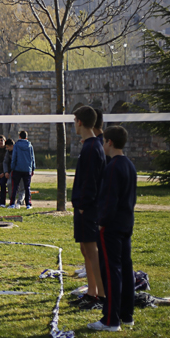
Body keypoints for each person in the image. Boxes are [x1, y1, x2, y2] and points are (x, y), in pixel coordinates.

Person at [87, 125, 137, 332]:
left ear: (109, 142)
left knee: (111, 271)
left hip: (112, 227)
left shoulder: (114, 167)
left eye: (104, 141)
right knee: (125, 270)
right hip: (126, 224)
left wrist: (102, 222)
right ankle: (126, 315)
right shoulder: (129, 165)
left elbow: (109, 200)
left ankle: (110, 320)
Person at [71, 106, 107, 311]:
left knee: (92, 252)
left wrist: (84, 205)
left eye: (74, 120)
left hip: (89, 207)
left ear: (79, 122)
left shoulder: (93, 147)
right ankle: (91, 292)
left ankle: (100, 295)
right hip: (84, 206)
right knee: (86, 250)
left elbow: (90, 181)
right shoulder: (90, 145)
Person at [8, 130, 35, 209]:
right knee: (27, 187)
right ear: (26, 137)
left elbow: (14, 157)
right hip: (27, 169)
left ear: (19, 136)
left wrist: (12, 167)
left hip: (17, 169)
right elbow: (32, 158)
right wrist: (32, 168)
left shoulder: (16, 145)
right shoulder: (30, 146)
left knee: (15, 187)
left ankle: (12, 203)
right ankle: (28, 204)